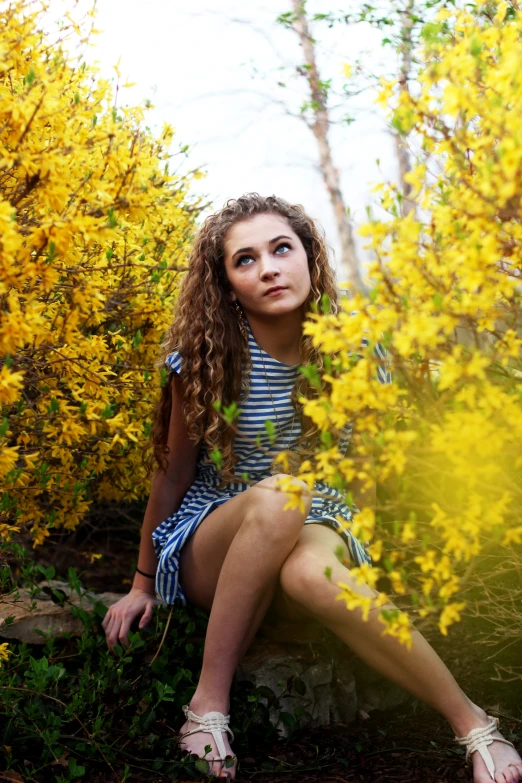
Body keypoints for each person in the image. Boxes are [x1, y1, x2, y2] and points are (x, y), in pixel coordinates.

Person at [102, 194, 522, 783]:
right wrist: (141, 583)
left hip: (320, 518)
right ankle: (207, 705)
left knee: (309, 570)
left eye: (281, 248)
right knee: (281, 496)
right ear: (226, 285)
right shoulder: (203, 358)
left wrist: (361, 561)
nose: (268, 267)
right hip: (217, 534)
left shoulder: (356, 352)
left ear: (309, 257)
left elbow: (367, 473)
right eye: (244, 260)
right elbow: (172, 474)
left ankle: (474, 723)